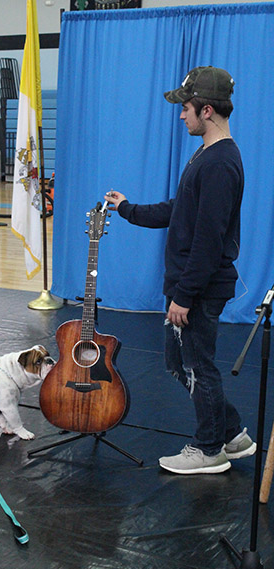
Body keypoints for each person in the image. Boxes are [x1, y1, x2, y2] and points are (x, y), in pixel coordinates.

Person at [105, 66, 256, 475]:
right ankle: (231, 435)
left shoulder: (220, 163)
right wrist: (128, 209)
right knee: (179, 362)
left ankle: (209, 450)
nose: (180, 115)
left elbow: (208, 239)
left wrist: (184, 295)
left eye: (185, 108)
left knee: (197, 366)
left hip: (200, 288)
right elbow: (180, 210)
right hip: (191, 284)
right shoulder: (206, 155)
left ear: (206, 110)